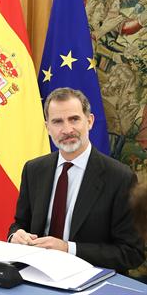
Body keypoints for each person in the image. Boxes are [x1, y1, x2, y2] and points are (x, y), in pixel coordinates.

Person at [8, 87, 144, 273]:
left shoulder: (120, 177)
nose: (67, 130)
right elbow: (20, 223)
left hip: (89, 277)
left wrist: (68, 248)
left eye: (74, 119)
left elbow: (131, 253)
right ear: (47, 127)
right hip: (36, 273)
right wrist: (15, 236)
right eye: (57, 122)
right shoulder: (33, 169)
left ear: (89, 121)